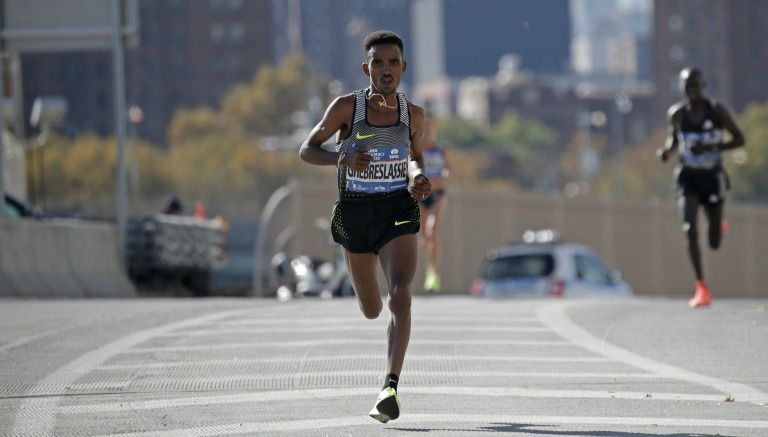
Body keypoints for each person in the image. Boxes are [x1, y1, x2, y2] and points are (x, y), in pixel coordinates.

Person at [298, 30, 431, 423]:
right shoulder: (346, 108)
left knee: (401, 295)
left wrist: (419, 178)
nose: (386, 70)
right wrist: (343, 154)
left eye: (393, 63)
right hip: (356, 211)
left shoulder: (414, 115)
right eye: (378, 63)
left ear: (403, 68)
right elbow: (307, 150)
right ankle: (371, 305)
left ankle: (390, 386)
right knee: (372, 309)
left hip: (397, 208)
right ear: (366, 67)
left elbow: (416, 159)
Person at [657, 67, 745, 308]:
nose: (692, 91)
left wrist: (710, 149)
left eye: (695, 86)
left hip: (712, 177)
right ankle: (701, 287)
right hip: (688, 178)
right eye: (687, 87)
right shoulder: (676, 114)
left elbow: (740, 139)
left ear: (702, 86)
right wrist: (667, 152)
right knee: (689, 227)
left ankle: (719, 222)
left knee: (714, 242)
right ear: (682, 88)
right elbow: (673, 139)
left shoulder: (716, 111)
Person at [418, 112, 451, 292]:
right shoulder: (417, 148)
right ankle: (428, 267)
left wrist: (444, 174)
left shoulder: (441, 148)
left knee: (433, 232)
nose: (428, 129)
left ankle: (434, 273)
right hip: (421, 194)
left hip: (438, 193)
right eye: (425, 125)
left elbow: (449, 169)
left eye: (431, 125)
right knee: (424, 238)